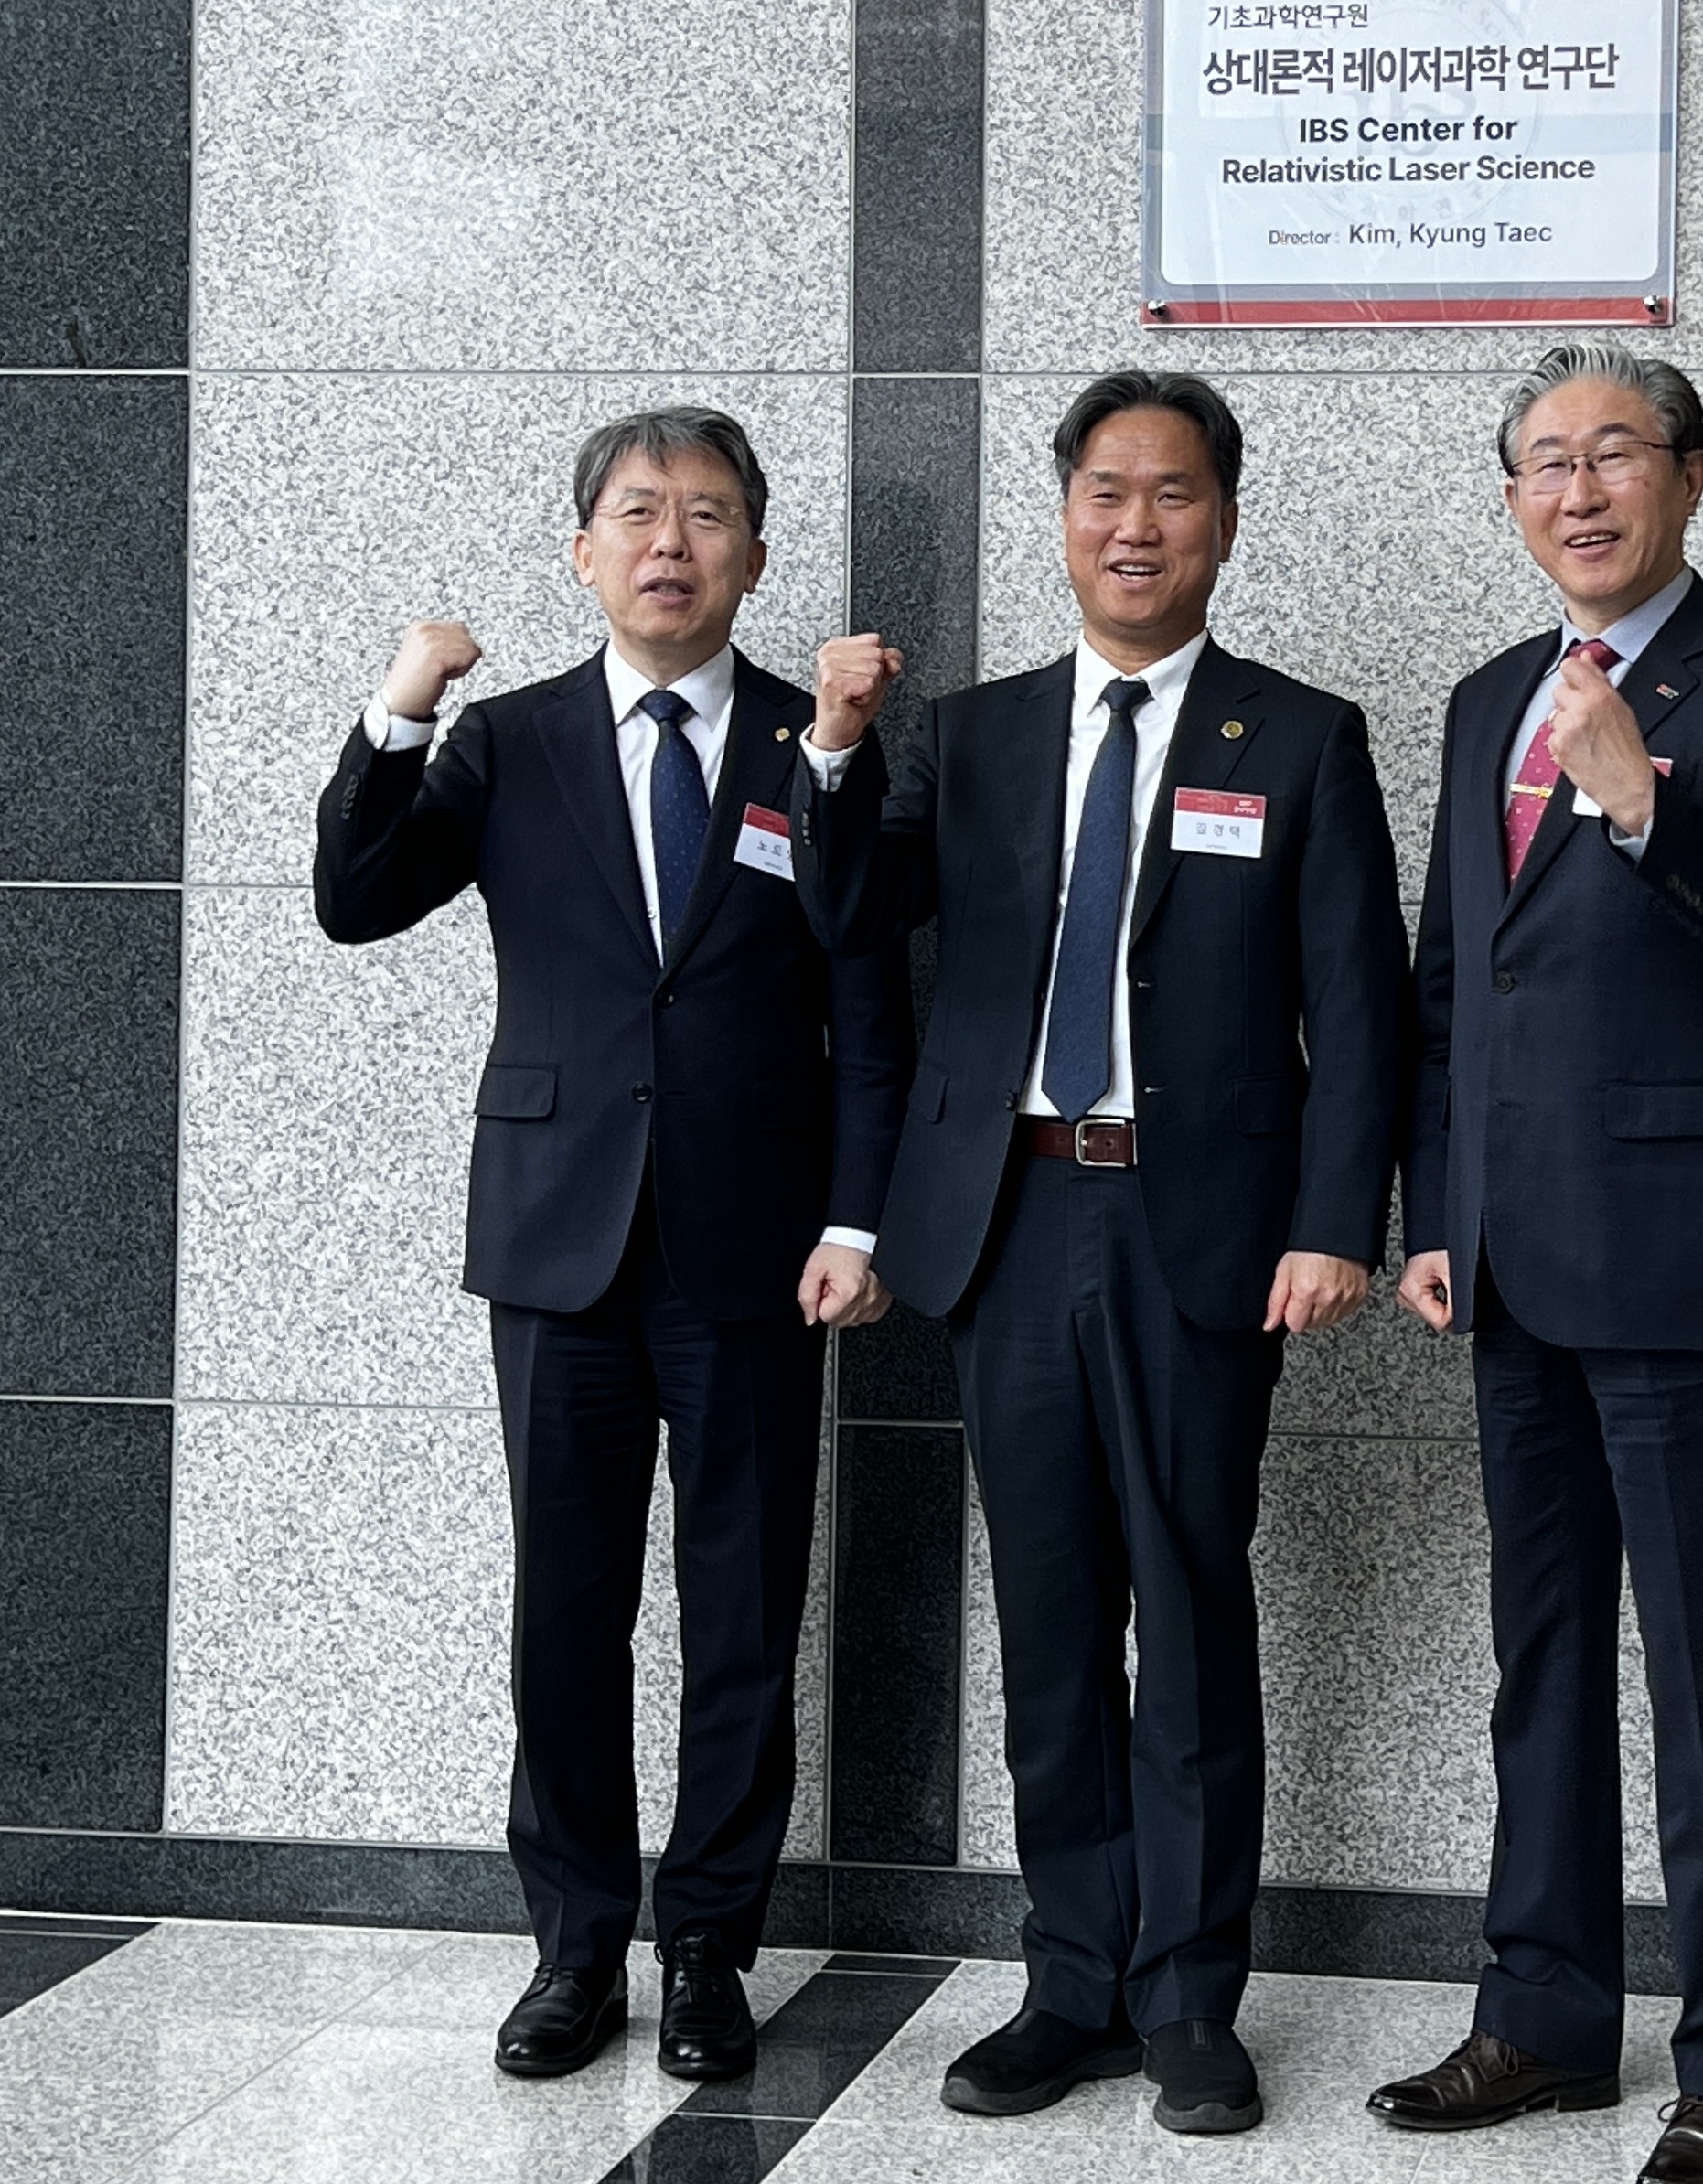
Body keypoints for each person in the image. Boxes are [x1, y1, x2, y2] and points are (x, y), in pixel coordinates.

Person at [787, 371, 1408, 2136]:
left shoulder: (1296, 738)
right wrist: (834, 748)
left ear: (1225, 517)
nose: (1137, 526)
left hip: (1197, 1231)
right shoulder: (972, 737)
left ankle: (1191, 2001)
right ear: (1062, 513)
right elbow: (848, 922)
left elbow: (1358, 1011)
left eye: (1176, 495)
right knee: (1053, 1623)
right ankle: (1070, 1983)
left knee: (1192, 1613)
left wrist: (1331, 1224)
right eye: (1106, 493)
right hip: (1006, 1221)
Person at [312, 407, 911, 2088]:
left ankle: (712, 1940)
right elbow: (356, 900)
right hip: (559, 1247)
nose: (672, 543)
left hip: (758, 1252)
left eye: (708, 516)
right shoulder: (500, 743)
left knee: (741, 1615)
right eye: (639, 515)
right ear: (584, 551)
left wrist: (858, 1216)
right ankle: (575, 1944)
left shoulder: (827, 740)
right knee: (563, 1615)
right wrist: (401, 702)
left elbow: (871, 1006)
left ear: (755, 558)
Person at [1365, 343, 1703, 2184]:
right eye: (1547, 461)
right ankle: (1544, 2012)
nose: (1582, 489)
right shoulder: (1491, 690)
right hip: (1506, 1269)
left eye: (1617, 454)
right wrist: (1435, 1211)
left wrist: (1650, 805)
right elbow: (1446, 988)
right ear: (1513, 500)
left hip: (1693, 1263)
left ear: (1692, 479)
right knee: (1544, 1655)